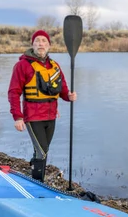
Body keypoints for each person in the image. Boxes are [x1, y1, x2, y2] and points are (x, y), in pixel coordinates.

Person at [8, 29, 77, 182]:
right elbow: (13, 92)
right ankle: (38, 183)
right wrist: (17, 117)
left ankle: (35, 172)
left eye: (44, 41)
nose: (41, 44)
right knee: (41, 152)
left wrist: (69, 96)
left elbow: (63, 90)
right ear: (32, 45)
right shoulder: (22, 66)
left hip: (50, 116)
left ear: (49, 45)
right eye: (37, 41)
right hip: (33, 116)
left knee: (43, 150)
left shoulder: (55, 66)